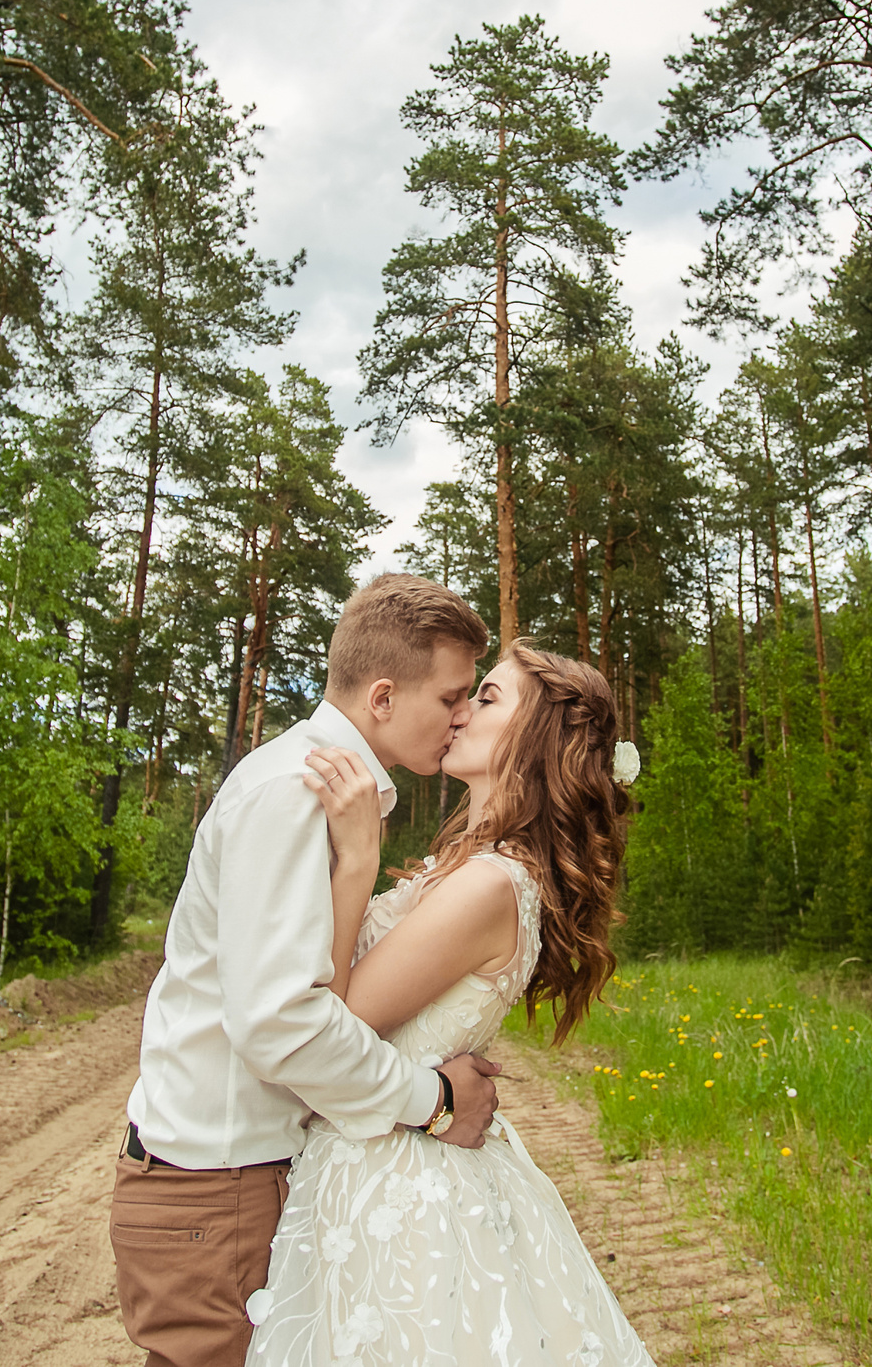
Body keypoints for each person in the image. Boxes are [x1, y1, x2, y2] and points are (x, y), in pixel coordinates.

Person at [113, 573, 501, 1367]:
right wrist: (431, 1102)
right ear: (384, 697)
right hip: (213, 1193)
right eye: (453, 696)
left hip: (242, 1181)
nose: (462, 714)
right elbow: (281, 1025)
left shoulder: (332, 792)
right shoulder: (293, 792)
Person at [244, 640, 655, 1367]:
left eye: (488, 697)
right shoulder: (470, 866)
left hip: (403, 1185)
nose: (462, 710)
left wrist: (358, 862)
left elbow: (338, 1012)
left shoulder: (491, 884)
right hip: (385, 1159)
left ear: (534, 743)